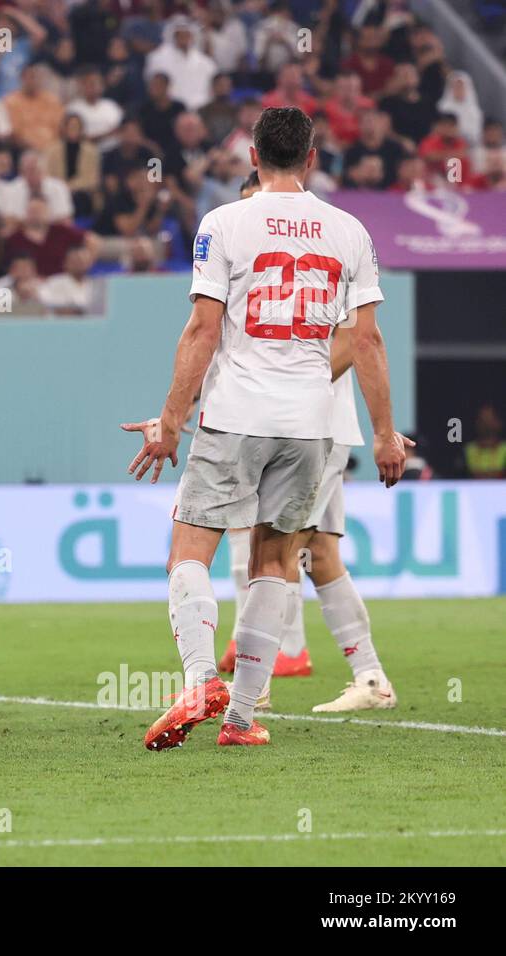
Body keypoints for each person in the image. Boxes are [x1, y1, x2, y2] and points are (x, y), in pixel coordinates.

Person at [123, 107, 407, 750]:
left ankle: (200, 677)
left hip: (236, 416)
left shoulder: (223, 224)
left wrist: (170, 421)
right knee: (276, 563)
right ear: (312, 158)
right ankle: (242, 718)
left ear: (252, 155)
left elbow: (202, 330)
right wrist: (387, 433)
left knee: (189, 552)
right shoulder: (350, 230)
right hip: (311, 424)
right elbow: (367, 340)